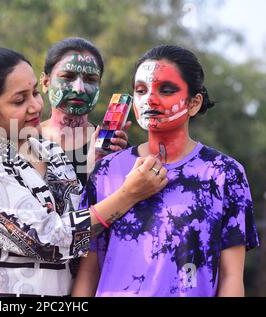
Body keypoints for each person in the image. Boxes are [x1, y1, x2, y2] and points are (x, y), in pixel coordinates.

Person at [0, 44, 167, 296]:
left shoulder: (48, 152)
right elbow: (48, 238)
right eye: (19, 100)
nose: (35, 106)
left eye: (35, 93)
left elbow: (79, 215)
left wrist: (94, 165)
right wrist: (129, 194)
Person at [73, 45, 259, 297]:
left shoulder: (224, 173)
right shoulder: (107, 170)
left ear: (194, 103)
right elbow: (88, 271)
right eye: (141, 90)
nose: (150, 98)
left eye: (166, 90)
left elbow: (231, 276)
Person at [40, 37, 131, 186]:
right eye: (68, 77)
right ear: (45, 82)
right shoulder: (20, 142)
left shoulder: (114, 146)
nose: (79, 88)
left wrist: (111, 165)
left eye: (90, 79)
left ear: (99, 86)